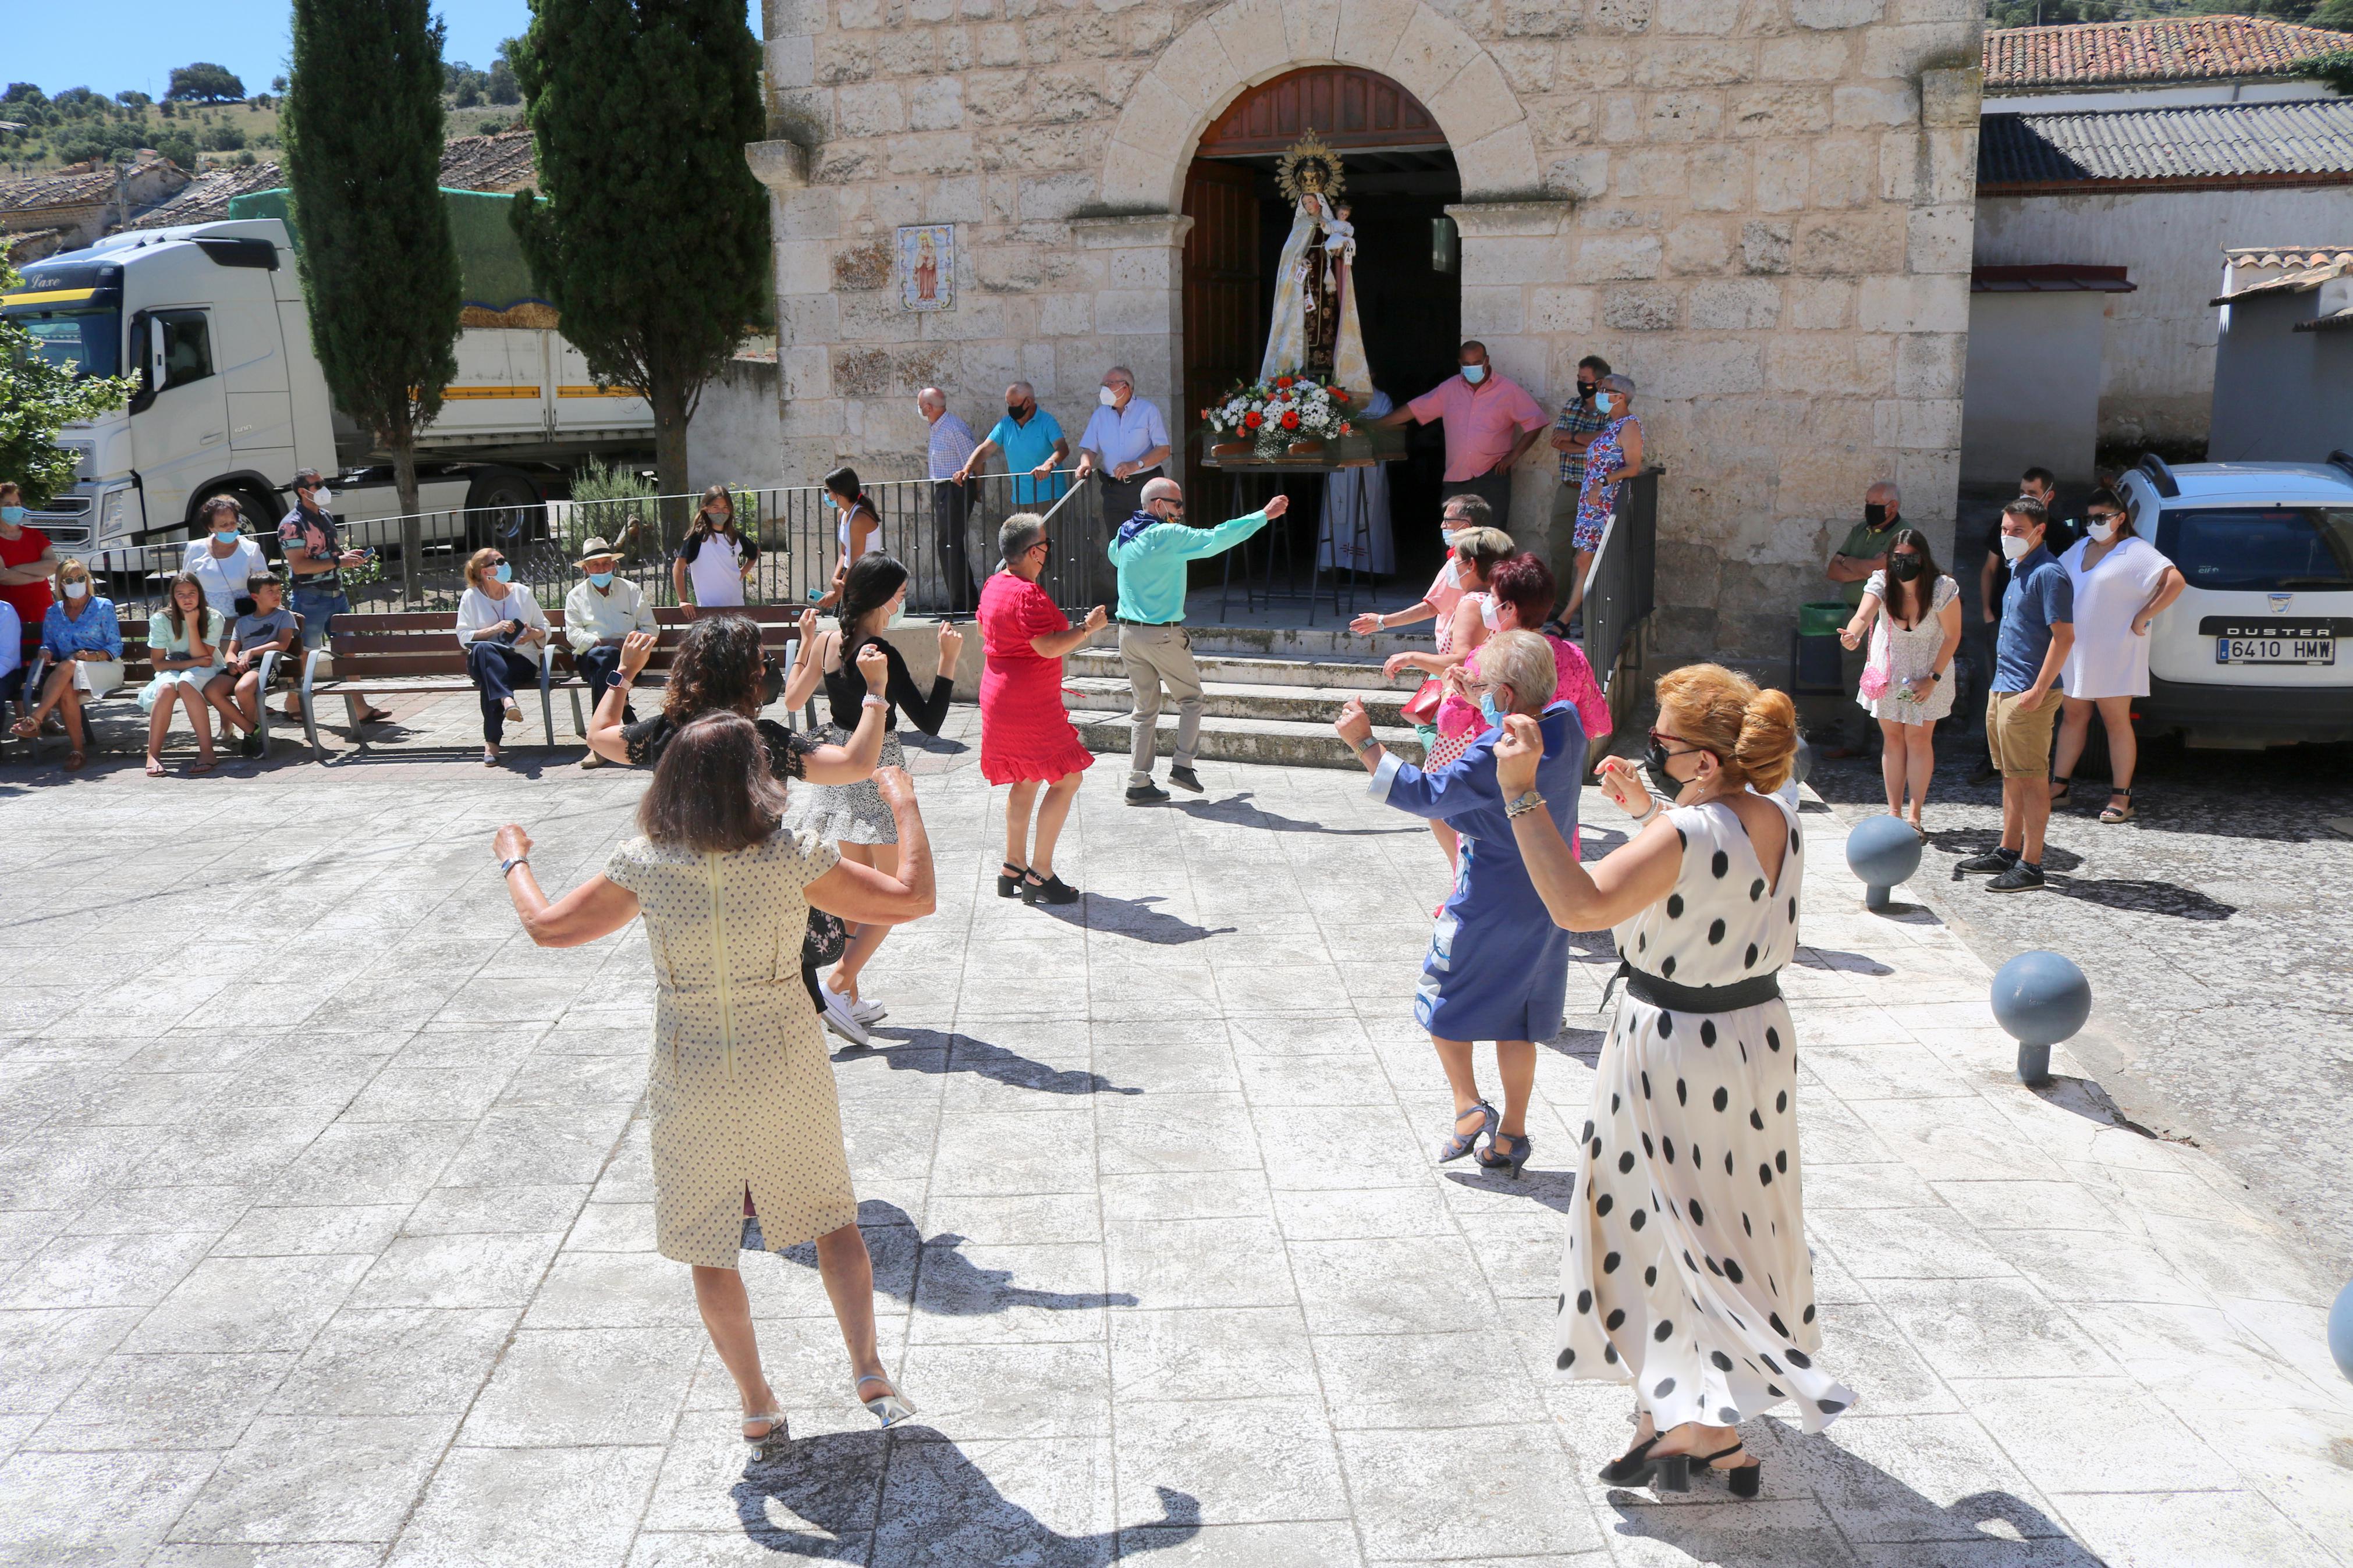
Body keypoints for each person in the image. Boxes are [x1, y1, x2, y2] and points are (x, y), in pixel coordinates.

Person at [489, 711, 936, 1451]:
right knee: (832, 1218)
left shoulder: (644, 862)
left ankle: (757, 1405)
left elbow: (549, 928)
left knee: (709, 1241)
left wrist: (514, 860)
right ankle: (869, 1371)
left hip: (689, 1066)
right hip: (784, 1060)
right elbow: (912, 897)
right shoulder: (793, 856)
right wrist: (905, 804)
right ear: (756, 780)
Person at [1486, 662, 1851, 1497]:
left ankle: (1693, 1420)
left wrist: (1520, 792)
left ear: (1705, 761)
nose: (1649, 747)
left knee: (1651, 1225)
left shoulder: (1685, 830)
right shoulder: (1777, 813)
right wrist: (1646, 813)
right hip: (1751, 1038)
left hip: (1671, 1044)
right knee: (1723, 1221)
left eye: (1661, 739)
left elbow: (1579, 906)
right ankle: (1691, 1419)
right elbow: (1716, 876)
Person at [1335, 629, 1589, 1181]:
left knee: (1440, 998)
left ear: (1504, 693)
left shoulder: (1490, 754)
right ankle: (1511, 1134)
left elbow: (1424, 794)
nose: (1472, 690)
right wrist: (1478, 693)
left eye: (1479, 684)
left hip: (1486, 898)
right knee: (1518, 1019)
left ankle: (1468, 1105)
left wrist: (1364, 742)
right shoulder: (1567, 725)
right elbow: (1517, 718)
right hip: (1548, 895)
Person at [585, 617, 892, 1039]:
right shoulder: (763, 740)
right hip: (761, 894)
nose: (767, 669)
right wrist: (875, 691)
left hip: (685, 899)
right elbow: (855, 764)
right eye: (761, 662)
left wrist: (624, 673)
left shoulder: (664, 734)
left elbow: (599, 736)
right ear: (744, 675)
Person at [781, 554, 960, 1040]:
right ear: (882, 598)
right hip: (878, 765)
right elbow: (930, 721)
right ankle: (837, 986)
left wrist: (804, 642)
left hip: (841, 764)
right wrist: (947, 660)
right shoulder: (880, 652)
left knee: (856, 896)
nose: (902, 601)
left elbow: (792, 701)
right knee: (894, 893)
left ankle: (850, 1000)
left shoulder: (826, 642)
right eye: (899, 594)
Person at [1106, 477, 1287, 805]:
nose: (1181, 511)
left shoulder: (1124, 534)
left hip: (1127, 634)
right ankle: (1183, 766)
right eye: (1177, 504)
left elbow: (1116, 558)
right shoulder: (1168, 534)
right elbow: (1217, 538)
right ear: (1159, 505)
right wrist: (1263, 515)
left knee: (1144, 710)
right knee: (1191, 700)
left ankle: (1138, 782)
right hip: (1161, 635)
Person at [979, 513, 1108, 904]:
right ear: (1034, 552)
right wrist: (1087, 628)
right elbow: (1048, 647)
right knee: (1067, 779)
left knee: (1026, 777)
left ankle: (1013, 867)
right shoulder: (1027, 594)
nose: (1048, 551)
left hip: (999, 696)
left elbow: (988, 630)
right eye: (1046, 545)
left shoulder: (994, 585)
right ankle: (1040, 873)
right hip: (1028, 704)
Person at [1373, 525, 1516, 874]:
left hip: (1463, 716)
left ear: (1471, 565)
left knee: (1436, 797)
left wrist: (1412, 657)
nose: (1452, 564)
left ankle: (1462, 874)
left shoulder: (1471, 603)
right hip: (1490, 710)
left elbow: (1462, 659)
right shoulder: (1501, 603)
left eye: (1456, 558)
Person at [1960, 497, 2073, 892]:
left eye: (2018, 530)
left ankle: (2031, 864)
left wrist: (2038, 690)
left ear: (2040, 530)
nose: (2008, 537)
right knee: (2010, 775)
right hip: (2004, 687)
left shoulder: (2049, 574)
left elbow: (2064, 638)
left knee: (2032, 779)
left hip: (2028, 692)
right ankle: (2008, 850)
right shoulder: (2017, 567)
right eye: (2005, 530)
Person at [2052, 489, 2184, 824]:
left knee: (2115, 720)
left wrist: (2144, 616)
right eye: (2089, 518)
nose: (2093, 524)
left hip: (2116, 650)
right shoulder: (2081, 546)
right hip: (2077, 649)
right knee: (2073, 716)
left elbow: (2175, 581)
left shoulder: (2135, 551)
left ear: (2120, 518)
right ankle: (2059, 786)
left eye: (2101, 518)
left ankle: (2121, 796)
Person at [1837, 528, 1960, 834]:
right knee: (1892, 739)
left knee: (1918, 739)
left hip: (1929, 672)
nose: (1903, 563)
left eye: (1911, 557)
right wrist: (1853, 634)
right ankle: (1894, 812)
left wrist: (1933, 679)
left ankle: (1914, 817)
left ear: (1924, 558)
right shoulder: (1882, 581)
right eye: (1897, 557)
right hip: (1889, 672)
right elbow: (1863, 616)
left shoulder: (1942, 588)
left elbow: (1952, 636)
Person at [1373, 341, 1549, 522]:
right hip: (1457, 478)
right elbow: (1415, 408)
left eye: (1477, 363)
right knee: (1453, 534)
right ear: (1460, 364)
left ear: (1487, 361)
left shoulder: (1507, 390)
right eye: (1467, 364)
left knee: (1491, 535)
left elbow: (1536, 421)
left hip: (1493, 477)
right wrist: (1376, 425)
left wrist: (1512, 457)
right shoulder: (1449, 389)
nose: (1472, 368)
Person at [278, 469, 384, 724]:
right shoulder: (291, 525)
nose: (324, 488)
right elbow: (300, 566)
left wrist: (346, 557)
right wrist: (338, 561)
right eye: (318, 484)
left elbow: (329, 555)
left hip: (337, 595)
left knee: (348, 651)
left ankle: (359, 707)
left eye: (323, 482)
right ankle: (293, 702)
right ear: (303, 491)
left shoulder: (325, 516)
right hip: (310, 598)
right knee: (304, 654)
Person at [10, 557, 122, 770]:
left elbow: (116, 646)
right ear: (61, 584)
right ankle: (77, 751)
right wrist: (46, 651)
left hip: (104, 666)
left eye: (81, 578)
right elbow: (49, 644)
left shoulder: (103, 606)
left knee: (70, 664)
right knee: (67, 689)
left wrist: (93, 657)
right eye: (70, 580)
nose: (76, 583)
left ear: (87, 580)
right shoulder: (54, 612)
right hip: (68, 674)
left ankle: (35, 719)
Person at [1820, 479, 1905, 759]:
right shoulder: (1860, 530)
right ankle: (1854, 742)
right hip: (1854, 614)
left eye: (1876, 504)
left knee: (1886, 681)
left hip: (1886, 618)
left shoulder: (1904, 535)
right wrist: (1870, 567)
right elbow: (1833, 570)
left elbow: (1890, 571)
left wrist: (1850, 563)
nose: (1869, 508)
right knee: (1853, 679)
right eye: (1868, 503)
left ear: (1893, 507)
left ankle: (1888, 750)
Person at [563, 535, 659, 769]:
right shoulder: (575, 596)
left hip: (630, 659)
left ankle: (599, 745)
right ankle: (624, 711)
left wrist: (626, 645)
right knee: (604, 655)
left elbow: (650, 629)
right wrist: (602, 642)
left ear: (614, 565)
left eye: (606, 563)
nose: (602, 568)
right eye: (595, 565)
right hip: (590, 659)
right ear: (586, 569)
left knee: (608, 659)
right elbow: (573, 634)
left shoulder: (631, 590)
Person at [1347, 495, 1496, 643]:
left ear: (1465, 526)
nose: (1442, 526)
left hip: (1460, 649)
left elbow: (1430, 608)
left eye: (1448, 520)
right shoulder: (1494, 556)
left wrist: (1382, 621)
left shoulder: (1460, 565)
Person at [455, 545, 552, 766]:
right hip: (485, 659)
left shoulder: (522, 592)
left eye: (503, 560)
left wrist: (533, 634)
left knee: (492, 679)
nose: (504, 565)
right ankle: (507, 700)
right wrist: (494, 629)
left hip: (521, 661)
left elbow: (544, 626)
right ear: (484, 572)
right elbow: (464, 637)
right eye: (498, 562)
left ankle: (492, 744)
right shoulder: (471, 597)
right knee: (483, 649)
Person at [1563, 374, 1644, 628]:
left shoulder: (1629, 426)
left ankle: (1570, 618)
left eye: (1604, 390)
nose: (1599, 393)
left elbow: (1633, 467)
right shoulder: (1612, 425)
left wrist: (1603, 481)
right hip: (1594, 505)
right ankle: (1580, 618)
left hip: (1607, 504)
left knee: (1589, 560)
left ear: (1620, 397)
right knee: (1584, 560)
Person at [140, 571, 235, 776]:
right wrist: (194, 662)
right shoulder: (160, 619)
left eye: (192, 593)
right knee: (166, 688)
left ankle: (207, 753)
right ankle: (153, 754)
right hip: (175, 668)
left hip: (208, 669)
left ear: (200, 594)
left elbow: (205, 657)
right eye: (180, 594)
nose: (187, 599)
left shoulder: (213, 617)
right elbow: (158, 664)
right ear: (173, 597)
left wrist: (192, 625)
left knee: (187, 682)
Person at [1548, 355, 1612, 623]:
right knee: (1558, 546)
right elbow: (1556, 441)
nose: (1580, 383)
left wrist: (1574, 438)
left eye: (1585, 379)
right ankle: (1557, 605)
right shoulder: (1572, 405)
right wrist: (1588, 445)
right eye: (1579, 378)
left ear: (1600, 382)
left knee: (1592, 554)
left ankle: (1590, 612)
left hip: (1595, 493)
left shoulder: (1611, 410)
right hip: (1569, 487)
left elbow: (1607, 443)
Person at [1073, 365, 1174, 533]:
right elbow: (1089, 449)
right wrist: (1085, 464)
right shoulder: (1100, 415)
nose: (1104, 389)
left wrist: (1136, 464)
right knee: (1118, 541)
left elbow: (1164, 450)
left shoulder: (1148, 411)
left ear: (1125, 387)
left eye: (1109, 384)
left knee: (1149, 539)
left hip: (1145, 487)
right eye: (1103, 385)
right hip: (1113, 491)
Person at [958, 382, 1069, 510]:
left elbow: (1062, 448)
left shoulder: (1047, 422)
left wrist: (1049, 464)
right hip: (1019, 499)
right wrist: (966, 470)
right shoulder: (1005, 424)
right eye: (1008, 404)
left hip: (1048, 497)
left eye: (1013, 404)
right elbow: (985, 449)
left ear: (1028, 402)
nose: (1010, 408)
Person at [223, 571, 299, 756]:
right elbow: (231, 652)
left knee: (243, 689)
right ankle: (251, 729)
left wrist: (252, 651)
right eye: (270, 591)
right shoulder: (243, 623)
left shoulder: (284, 616)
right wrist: (232, 663)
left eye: (279, 590)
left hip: (265, 665)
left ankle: (252, 737)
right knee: (211, 690)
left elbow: (282, 644)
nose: (277, 594)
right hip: (242, 665)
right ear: (255, 597)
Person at [920, 387, 980, 613]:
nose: (920, 410)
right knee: (948, 543)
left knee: (949, 543)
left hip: (956, 489)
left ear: (929, 407)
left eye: (921, 406)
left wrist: (977, 488)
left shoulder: (953, 428)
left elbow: (974, 460)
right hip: (945, 490)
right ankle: (963, 600)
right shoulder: (939, 428)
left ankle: (964, 602)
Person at [673, 485, 759, 617]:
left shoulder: (735, 537)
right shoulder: (698, 538)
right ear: (706, 509)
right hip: (709, 611)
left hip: (737, 609)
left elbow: (755, 553)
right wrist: (683, 600)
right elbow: (678, 569)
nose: (721, 512)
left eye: (725, 507)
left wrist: (741, 574)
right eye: (716, 507)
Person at [0, 481, 58, 674]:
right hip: (11, 615)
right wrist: (37, 575)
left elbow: (53, 565)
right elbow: (3, 577)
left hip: (42, 611)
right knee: (16, 667)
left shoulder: (35, 536)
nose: (14, 509)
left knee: (44, 663)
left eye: (17, 504)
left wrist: (17, 569)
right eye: (8, 505)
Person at [182, 496, 271, 613]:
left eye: (233, 523)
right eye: (224, 525)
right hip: (208, 619)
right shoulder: (194, 548)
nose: (230, 528)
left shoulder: (251, 549)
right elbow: (186, 584)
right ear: (211, 527)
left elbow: (264, 586)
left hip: (245, 619)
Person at [825, 467, 882, 591]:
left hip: (865, 577)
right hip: (851, 574)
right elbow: (844, 552)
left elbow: (856, 560)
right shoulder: (843, 513)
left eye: (827, 490)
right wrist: (835, 579)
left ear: (839, 492)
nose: (827, 495)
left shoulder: (859, 519)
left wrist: (839, 591)